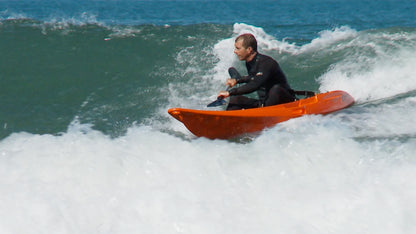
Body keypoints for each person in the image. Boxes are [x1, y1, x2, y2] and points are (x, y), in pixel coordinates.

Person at [218, 33, 295, 110]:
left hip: (285, 103)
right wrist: (237, 80)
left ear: (249, 50)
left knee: (276, 89)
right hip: (264, 104)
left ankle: (265, 114)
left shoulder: (266, 62)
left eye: (238, 48)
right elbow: (253, 78)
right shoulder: (249, 62)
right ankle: (226, 120)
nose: (235, 51)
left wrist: (230, 92)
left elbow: (255, 84)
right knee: (236, 99)